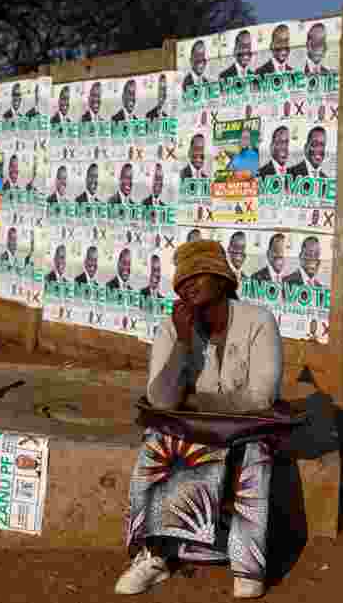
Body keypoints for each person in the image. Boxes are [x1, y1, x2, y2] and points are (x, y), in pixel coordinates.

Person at [116, 240, 282, 599]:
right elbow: (161, 400)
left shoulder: (258, 321)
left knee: (255, 453)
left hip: (244, 429)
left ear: (223, 281)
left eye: (198, 275)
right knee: (156, 443)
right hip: (189, 430)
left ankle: (247, 565)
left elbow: (260, 398)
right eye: (181, 281)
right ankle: (155, 556)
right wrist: (181, 342)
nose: (187, 284)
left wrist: (191, 401)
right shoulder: (171, 328)